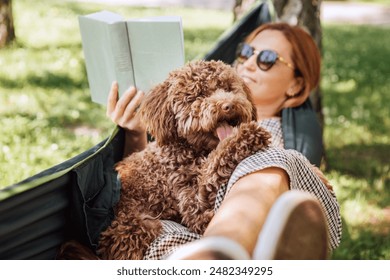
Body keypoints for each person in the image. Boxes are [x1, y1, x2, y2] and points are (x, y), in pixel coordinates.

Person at [106, 22, 342, 260]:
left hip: (204, 227)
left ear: (296, 84)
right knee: (162, 235)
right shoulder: (193, 136)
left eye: (268, 59)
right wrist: (136, 133)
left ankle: (220, 252)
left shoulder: (283, 134)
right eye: (246, 52)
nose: (249, 63)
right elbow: (159, 181)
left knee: (272, 159)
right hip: (177, 230)